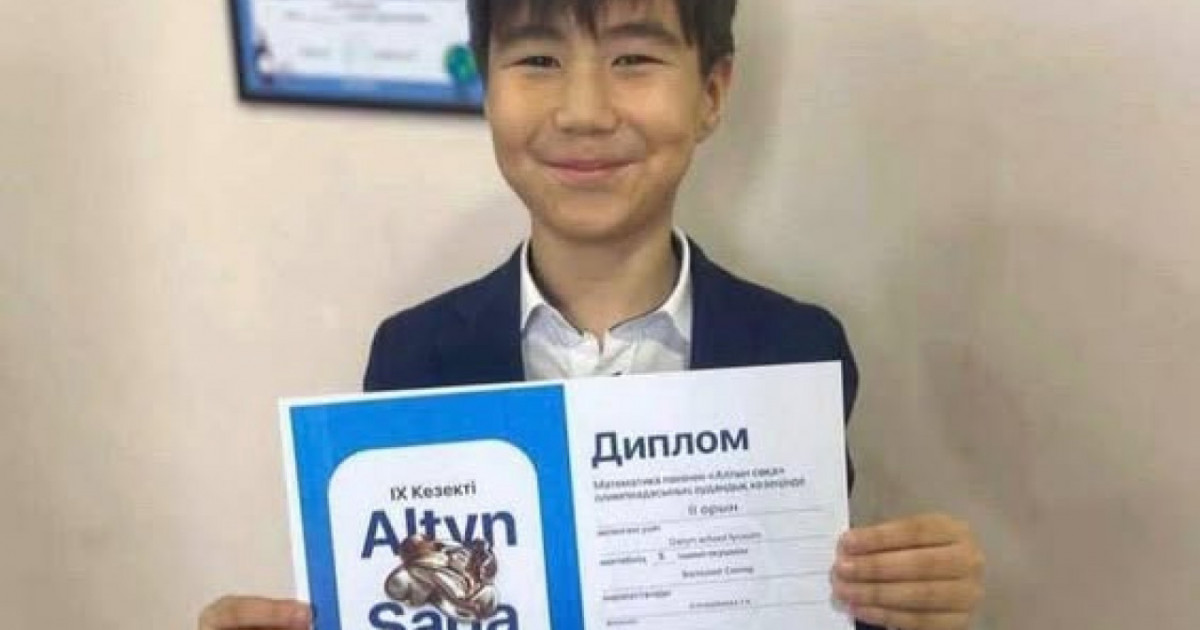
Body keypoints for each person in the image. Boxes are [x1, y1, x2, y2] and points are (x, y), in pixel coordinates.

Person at [198, 1, 984, 629]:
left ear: (712, 93)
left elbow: (802, 597)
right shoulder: (413, 354)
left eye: (633, 58)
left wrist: (907, 603)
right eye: (538, 59)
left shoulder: (796, 348)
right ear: (486, 85)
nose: (582, 111)